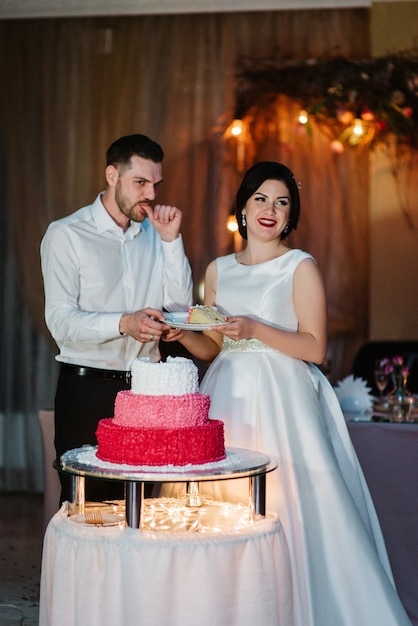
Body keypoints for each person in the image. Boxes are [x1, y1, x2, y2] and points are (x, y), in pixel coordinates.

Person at [173, 162, 412, 625]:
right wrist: (182, 335)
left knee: (296, 504)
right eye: (261, 198)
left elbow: (316, 348)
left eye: (281, 202)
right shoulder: (218, 270)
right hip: (229, 393)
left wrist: (258, 328)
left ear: (290, 215)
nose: (270, 209)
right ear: (242, 206)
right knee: (229, 504)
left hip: (286, 399)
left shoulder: (300, 267)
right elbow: (214, 344)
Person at [41, 133, 192, 504]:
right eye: (140, 182)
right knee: (88, 510)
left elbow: (181, 306)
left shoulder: (157, 237)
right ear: (112, 175)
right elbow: (60, 322)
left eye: (155, 184)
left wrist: (172, 242)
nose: (151, 195)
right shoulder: (66, 235)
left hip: (147, 393)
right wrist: (123, 323)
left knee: (144, 508)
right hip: (87, 393)